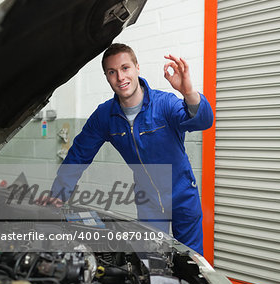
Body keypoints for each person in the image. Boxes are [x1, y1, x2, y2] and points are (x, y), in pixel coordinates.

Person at [46, 43, 213, 254]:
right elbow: (79, 154)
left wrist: (188, 91)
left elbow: (203, 121)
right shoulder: (105, 116)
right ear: (106, 76)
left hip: (182, 194)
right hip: (148, 201)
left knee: (192, 261)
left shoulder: (164, 104)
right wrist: (58, 193)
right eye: (112, 72)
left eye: (125, 68)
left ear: (137, 68)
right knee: (152, 261)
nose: (120, 77)